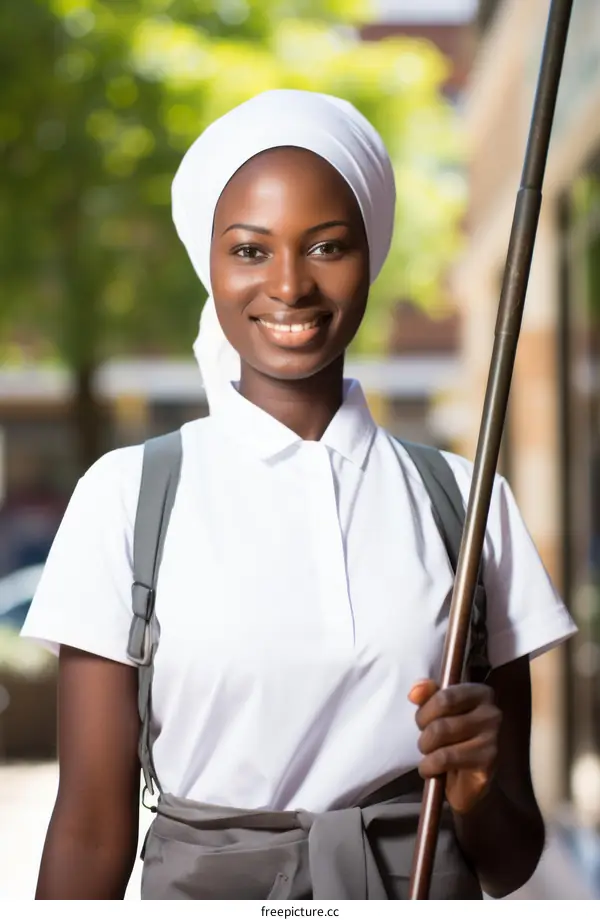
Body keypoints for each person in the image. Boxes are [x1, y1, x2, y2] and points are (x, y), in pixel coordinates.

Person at [21, 89, 576, 901]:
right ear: (209, 264)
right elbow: (90, 829)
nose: (289, 285)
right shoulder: (127, 497)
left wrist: (479, 791)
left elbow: (511, 856)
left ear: (370, 256)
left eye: (326, 246)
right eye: (250, 250)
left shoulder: (464, 499)